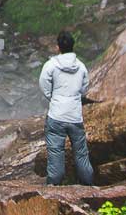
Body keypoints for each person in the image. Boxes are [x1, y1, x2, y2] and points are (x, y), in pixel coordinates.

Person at [38, 31, 93, 186]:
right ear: (73, 46)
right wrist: (73, 98)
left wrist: (54, 97)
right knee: (81, 153)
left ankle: (53, 186)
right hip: (75, 116)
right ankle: (89, 185)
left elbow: (43, 84)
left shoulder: (51, 65)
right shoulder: (81, 67)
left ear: (58, 47)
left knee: (56, 152)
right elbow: (84, 88)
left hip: (56, 115)